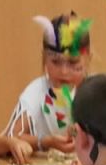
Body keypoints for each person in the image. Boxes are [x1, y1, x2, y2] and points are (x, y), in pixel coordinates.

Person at [6, 13, 92, 155]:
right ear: (44, 58)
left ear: (88, 58)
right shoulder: (36, 92)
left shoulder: (97, 92)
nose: (64, 71)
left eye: (73, 62)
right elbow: (11, 137)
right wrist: (45, 142)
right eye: (56, 62)